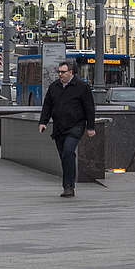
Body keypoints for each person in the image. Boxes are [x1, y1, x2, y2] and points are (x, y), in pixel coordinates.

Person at [37, 59, 96, 198]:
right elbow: (47, 106)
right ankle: (68, 184)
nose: (60, 75)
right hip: (59, 127)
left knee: (68, 151)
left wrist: (90, 127)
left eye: (63, 72)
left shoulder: (82, 86)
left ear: (71, 72)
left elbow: (89, 108)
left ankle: (68, 186)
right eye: (58, 72)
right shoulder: (54, 87)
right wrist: (43, 122)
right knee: (64, 156)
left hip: (76, 126)